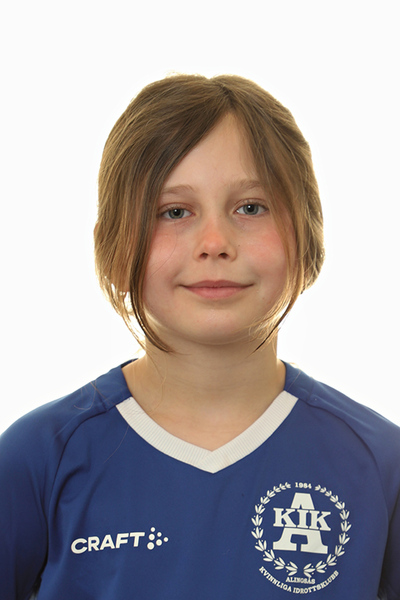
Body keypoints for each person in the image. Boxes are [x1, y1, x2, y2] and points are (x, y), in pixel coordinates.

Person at [0, 74, 399, 600]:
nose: (215, 242)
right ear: (114, 245)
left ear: (308, 233)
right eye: (174, 212)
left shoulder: (380, 463)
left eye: (250, 207)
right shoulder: (37, 457)